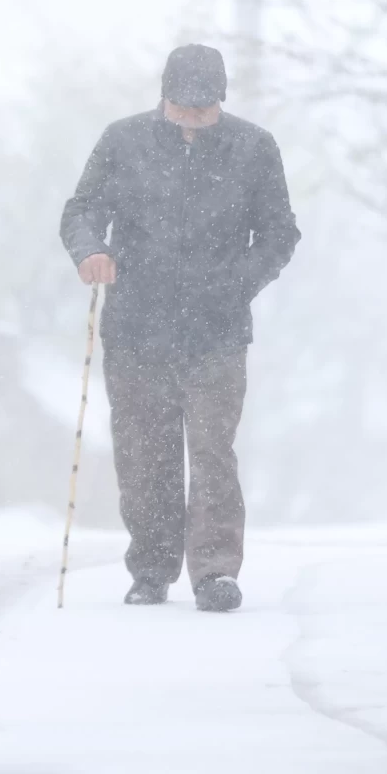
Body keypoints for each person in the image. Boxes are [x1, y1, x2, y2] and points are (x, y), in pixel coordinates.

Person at [59, 43, 300, 612]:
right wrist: (90, 250)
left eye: (205, 109)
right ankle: (151, 566)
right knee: (145, 454)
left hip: (216, 332)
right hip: (136, 326)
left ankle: (215, 570)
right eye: (182, 108)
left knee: (213, 451)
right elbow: (82, 210)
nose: (193, 119)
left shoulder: (253, 148)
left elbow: (279, 234)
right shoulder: (122, 142)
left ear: (221, 100)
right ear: (163, 97)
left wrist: (235, 284)